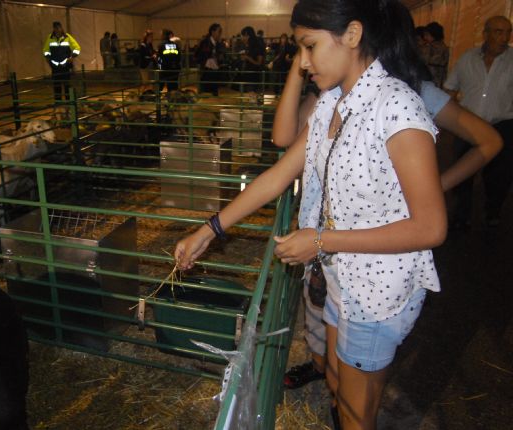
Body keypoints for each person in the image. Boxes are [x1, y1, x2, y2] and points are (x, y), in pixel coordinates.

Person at [176, 1, 449, 428]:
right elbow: (279, 175)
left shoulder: (397, 108)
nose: (302, 63)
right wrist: (210, 229)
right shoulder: (332, 103)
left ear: (353, 35)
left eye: (309, 46)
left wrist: (320, 241)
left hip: (378, 288)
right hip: (343, 277)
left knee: (358, 411)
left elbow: (431, 227)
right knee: (339, 382)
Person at [275, 6, 502, 405]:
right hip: (330, 249)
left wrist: (435, 185)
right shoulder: (340, 93)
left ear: (358, 34)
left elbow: (488, 142)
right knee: (337, 370)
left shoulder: (404, 96)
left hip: (368, 263)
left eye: (311, 44)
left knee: (356, 392)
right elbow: (286, 141)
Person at [444, 16, 512, 229]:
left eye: (507, 32)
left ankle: (493, 210)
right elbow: (450, 88)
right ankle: (461, 215)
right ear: (485, 33)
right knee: (463, 171)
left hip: (503, 124)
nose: (503, 37)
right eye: (498, 32)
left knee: (500, 174)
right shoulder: (467, 58)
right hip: (468, 124)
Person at [42, 21, 81, 101]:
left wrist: (72, 57)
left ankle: (69, 103)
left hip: (65, 66)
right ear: (53, 28)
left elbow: (77, 48)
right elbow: (45, 50)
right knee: (57, 86)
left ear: (61, 27)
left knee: (67, 86)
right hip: (55, 67)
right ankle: (58, 104)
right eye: (55, 28)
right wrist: (48, 58)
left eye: (58, 27)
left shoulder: (67, 37)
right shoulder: (50, 38)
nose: (57, 29)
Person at [196, 23, 223, 96]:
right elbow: (199, 55)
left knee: (214, 91)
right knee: (206, 93)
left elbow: (221, 55)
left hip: (215, 71)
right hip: (206, 71)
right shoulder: (205, 42)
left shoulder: (217, 43)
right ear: (212, 32)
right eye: (219, 31)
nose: (220, 33)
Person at [239, 26, 265, 93]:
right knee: (250, 95)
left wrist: (247, 58)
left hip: (254, 75)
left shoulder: (258, 46)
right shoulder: (248, 46)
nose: (243, 38)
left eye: (245, 36)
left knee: (254, 96)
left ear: (249, 36)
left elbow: (259, 62)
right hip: (248, 75)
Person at [423, 22, 449, 87]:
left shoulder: (432, 47)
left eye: (427, 35)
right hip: (439, 80)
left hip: (432, 80)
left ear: (434, 34)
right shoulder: (444, 47)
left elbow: (424, 59)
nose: (425, 37)